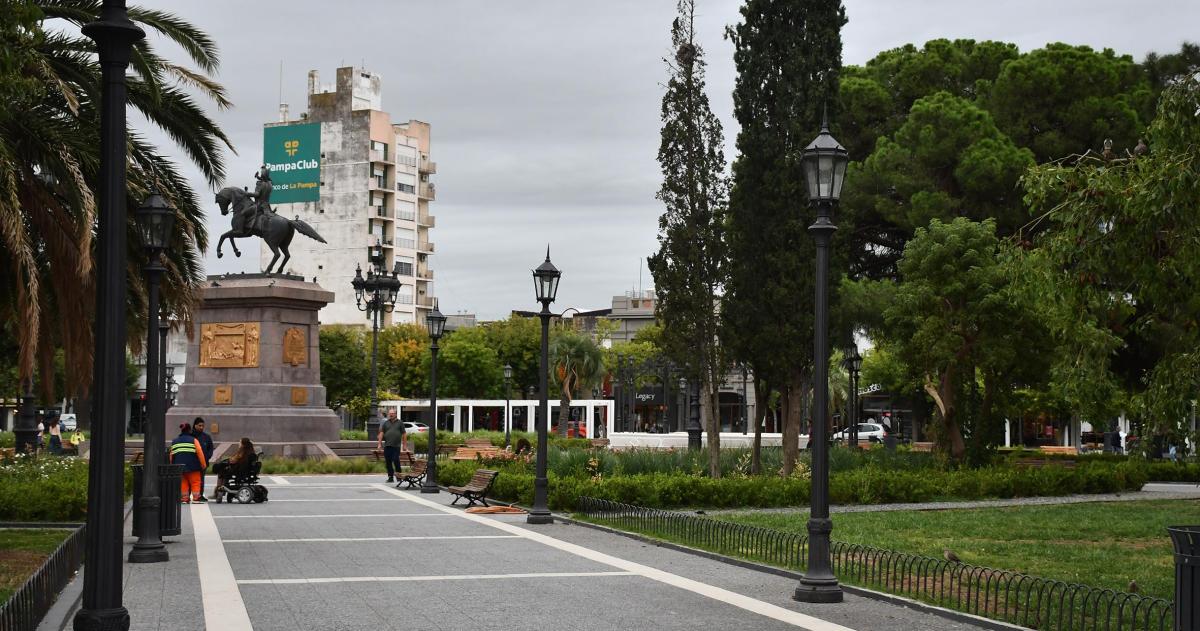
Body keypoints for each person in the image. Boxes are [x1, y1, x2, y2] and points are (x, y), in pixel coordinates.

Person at [170, 423, 208, 503]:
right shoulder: (193, 440)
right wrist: (203, 465)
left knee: (183, 482)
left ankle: (184, 498)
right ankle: (196, 498)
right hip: (193, 466)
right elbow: (200, 453)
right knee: (195, 482)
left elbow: (171, 455)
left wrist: (172, 465)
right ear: (190, 430)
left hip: (179, 467)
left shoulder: (175, 441)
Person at [377, 408, 407, 483]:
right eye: (390, 413)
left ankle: (399, 476)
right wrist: (379, 444)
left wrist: (404, 445)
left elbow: (404, 434)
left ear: (395, 414)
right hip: (387, 446)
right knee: (388, 462)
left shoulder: (400, 423)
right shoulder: (386, 423)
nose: (391, 414)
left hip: (396, 446)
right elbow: (381, 433)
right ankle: (390, 477)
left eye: (392, 413)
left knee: (396, 460)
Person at [191, 418, 215, 502]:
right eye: (199, 425)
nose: (201, 427)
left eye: (203, 426)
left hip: (203, 462)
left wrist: (207, 456)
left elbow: (210, 448)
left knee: (201, 480)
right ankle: (187, 495)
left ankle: (200, 495)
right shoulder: (190, 436)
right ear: (195, 425)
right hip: (192, 462)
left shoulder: (206, 437)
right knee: (191, 479)